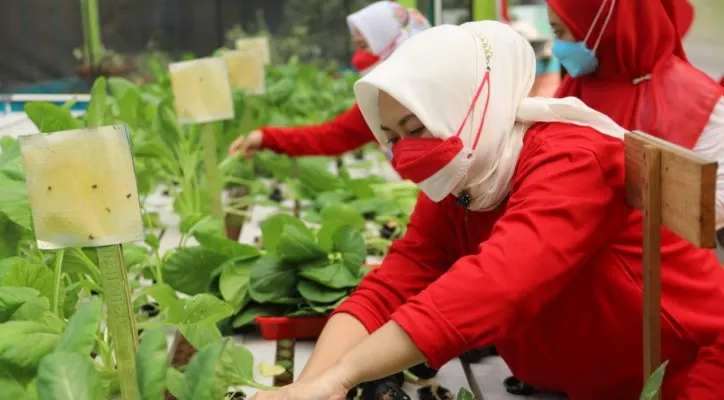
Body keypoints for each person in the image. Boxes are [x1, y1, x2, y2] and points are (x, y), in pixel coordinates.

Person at [249, 21, 724, 400]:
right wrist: (309, 385)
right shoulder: (465, 176)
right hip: (594, 380)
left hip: (687, 372)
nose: (404, 152)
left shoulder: (572, 158)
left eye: (417, 125)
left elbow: (500, 282)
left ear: (467, 102)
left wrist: (343, 375)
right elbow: (394, 281)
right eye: (392, 137)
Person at [547, 0, 724, 234]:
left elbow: (715, 204)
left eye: (560, 31)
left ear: (601, 24)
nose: (556, 47)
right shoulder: (577, 86)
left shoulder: (696, 100)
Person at [228, 1, 430, 159]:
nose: (359, 57)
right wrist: (266, 138)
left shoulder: (432, 92)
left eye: (365, 45)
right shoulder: (380, 99)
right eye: (358, 46)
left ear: (394, 43)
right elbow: (335, 135)